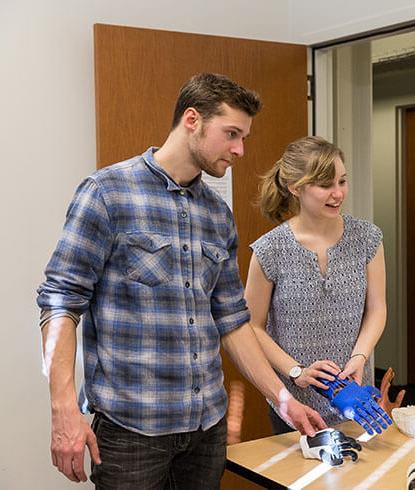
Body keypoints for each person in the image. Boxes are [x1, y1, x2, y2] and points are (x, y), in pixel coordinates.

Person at [37, 73, 326, 488]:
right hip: (131, 431)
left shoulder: (216, 214)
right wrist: (63, 407)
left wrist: (281, 398)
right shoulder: (107, 193)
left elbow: (233, 320)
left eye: (243, 136)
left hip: (206, 429)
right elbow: (60, 301)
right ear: (192, 120)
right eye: (231, 134)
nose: (240, 149)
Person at [244, 136, 388, 434]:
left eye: (342, 181)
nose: (338, 193)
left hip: (355, 394)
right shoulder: (270, 250)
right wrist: (297, 372)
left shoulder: (368, 239)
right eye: (325, 185)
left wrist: (359, 357)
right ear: (295, 188)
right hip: (297, 404)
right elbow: (252, 326)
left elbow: (377, 309)